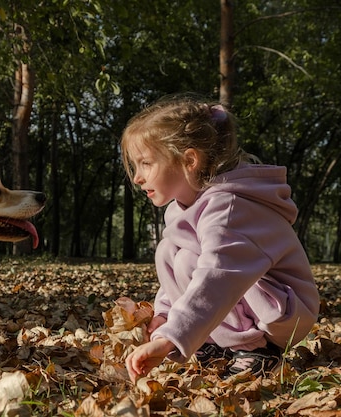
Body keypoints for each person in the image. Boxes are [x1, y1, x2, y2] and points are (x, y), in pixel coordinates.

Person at [121, 94, 320, 382]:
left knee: (194, 260)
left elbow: (219, 276)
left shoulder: (229, 207)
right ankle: (216, 345)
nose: (138, 177)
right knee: (169, 251)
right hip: (256, 301)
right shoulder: (182, 208)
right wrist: (165, 316)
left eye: (146, 163)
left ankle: (253, 348)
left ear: (189, 160)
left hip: (285, 312)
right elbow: (180, 273)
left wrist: (172, 337)